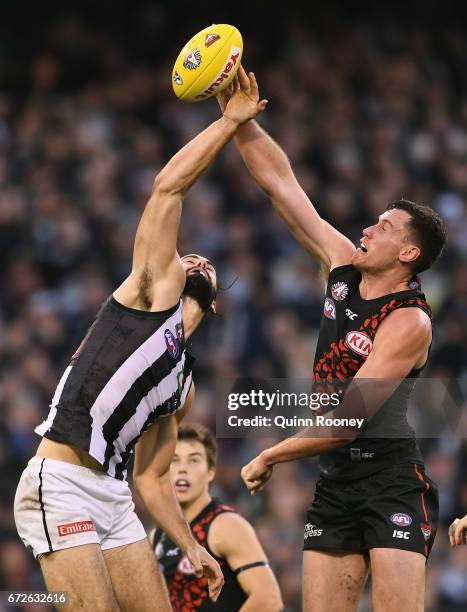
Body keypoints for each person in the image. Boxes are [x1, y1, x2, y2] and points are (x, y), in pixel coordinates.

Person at [13, 70, 268, 612]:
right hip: (59, 480)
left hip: (114, 495)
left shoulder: (184, 385)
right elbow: (168, 186)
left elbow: (152, 480)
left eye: (204, 261)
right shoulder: (151, 295)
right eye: (185, 253)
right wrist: (228, 123)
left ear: (215, 300)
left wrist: (191, 546)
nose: (192, 256)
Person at [218, 67, 447, 612]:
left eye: (385, 227)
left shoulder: (409, 320)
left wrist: (272, 453)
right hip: (336, 482)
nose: (367, 230)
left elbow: (348, 421)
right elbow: (281, 185)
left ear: (409, 255)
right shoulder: (342, 266)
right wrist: (238, 121)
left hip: (391, 480)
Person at [150, 423, 283, 611]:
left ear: (211, 471)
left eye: (194, 460)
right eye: (174, 460)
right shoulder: (157, 535)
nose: (182, 469)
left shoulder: (226, 525)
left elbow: (268, 600)